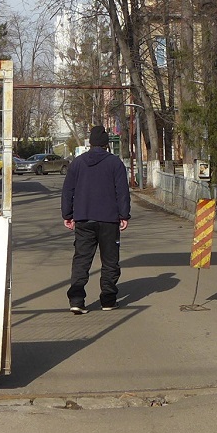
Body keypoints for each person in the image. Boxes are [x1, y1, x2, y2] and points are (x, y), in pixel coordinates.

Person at [62, 125, 131, 313]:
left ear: (91, 142)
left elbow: (68, 191)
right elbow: (122, 192)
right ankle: (108, 300)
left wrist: (67, 215)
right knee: (110, 260)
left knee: (82, 260)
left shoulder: (77, 163)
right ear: (106, 143)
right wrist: (124, 215)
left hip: (83, 218)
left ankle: (76, 300)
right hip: (109, 219)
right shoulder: (115, 163)